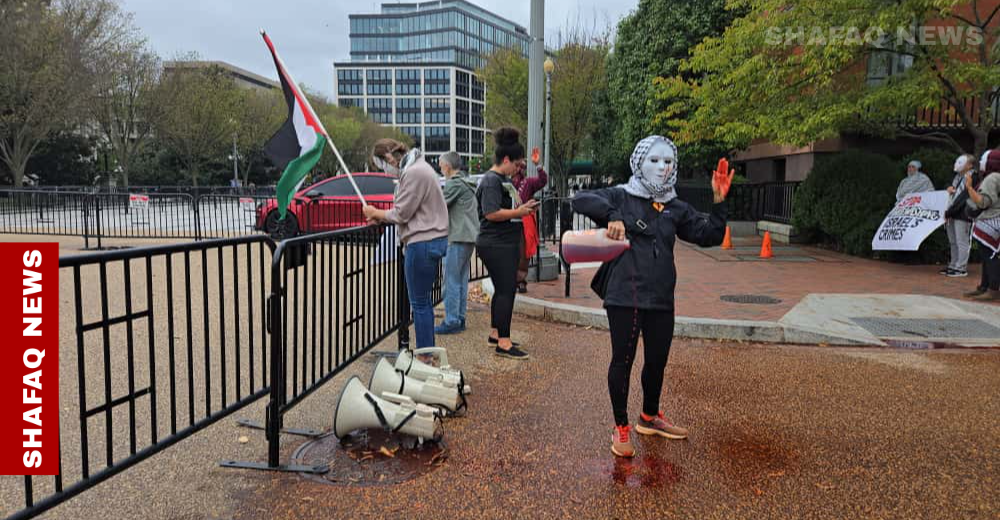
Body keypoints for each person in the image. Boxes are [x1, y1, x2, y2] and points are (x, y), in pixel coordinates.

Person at [572, 135, 731, 458]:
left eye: (668, 161)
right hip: (625, 295)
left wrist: (719, 201)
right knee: (623, 360)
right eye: (654, 160)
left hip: (661, 297)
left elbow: (709, 235)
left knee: (657, 361)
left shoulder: (675, 207)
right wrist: (612, 215)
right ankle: (621, 426)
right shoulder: (621, 195)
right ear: (639, 162)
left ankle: (649, 416)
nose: (662, 167)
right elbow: (580, 199)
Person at [362, 139, 449, 349]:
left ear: (389, 158)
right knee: (423, 302)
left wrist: (376, 212)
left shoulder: (413, 172)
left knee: (419, 303)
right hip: (431, 240)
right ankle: (427, 353)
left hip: (422, 242)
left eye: (382, 165)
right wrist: (382, 217)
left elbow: (402, 213)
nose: (385, 171)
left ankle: (425, 355)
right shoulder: (419, 167)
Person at [477, 127, 538, 360]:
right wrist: (519, 212)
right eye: (517, 164)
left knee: (502, 290)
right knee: (506, 291)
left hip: (501, 242)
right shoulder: (492, 181)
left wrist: (523, 208)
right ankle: (504, 342)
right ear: (506, 160)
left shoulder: (500, 179)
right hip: (497, 243)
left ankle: (496, 333)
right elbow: (491, 212)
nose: (518, 169)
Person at [436, 152, 479, 335]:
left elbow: (438, 206)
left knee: (451, 281)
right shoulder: (466, 182)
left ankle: (452, 320)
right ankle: (459, 318)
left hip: (457, 237)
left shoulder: (454, 184)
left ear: (447, 166)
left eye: (441, 165)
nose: (440, 169)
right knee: (461, 280)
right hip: (468, 237)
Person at [964, 149, 1000, 301]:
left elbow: (983, 202)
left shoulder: (992, 178)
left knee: (990, 256)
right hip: (996, 220)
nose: (980, 163)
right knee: (987, 256)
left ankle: (993, 289)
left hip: (991, 221)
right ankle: (984, 286)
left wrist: (969, 187)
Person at [511, 156, 548, 293]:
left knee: (523, 253)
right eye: (517, 166)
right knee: (509, 252)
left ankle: (521, 280)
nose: (519, 169)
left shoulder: (528, 182)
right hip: (508, 222)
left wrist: (538, 165)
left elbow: (542, 181)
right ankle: (510, 280)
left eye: (521, 167)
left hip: (523, 223)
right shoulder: (505, 182)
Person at [942, 154, 980, 277]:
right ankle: (953, 265)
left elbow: (964, 197)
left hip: (963, 214)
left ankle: (961, 268)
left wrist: (950, 211)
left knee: (962, 241)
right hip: (951, 212)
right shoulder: (957, 177)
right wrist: (948, 188)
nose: (958, 164)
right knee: (953, 241)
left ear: (969, 165)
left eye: (962, 162)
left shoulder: (973, 177)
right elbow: (950, 189)